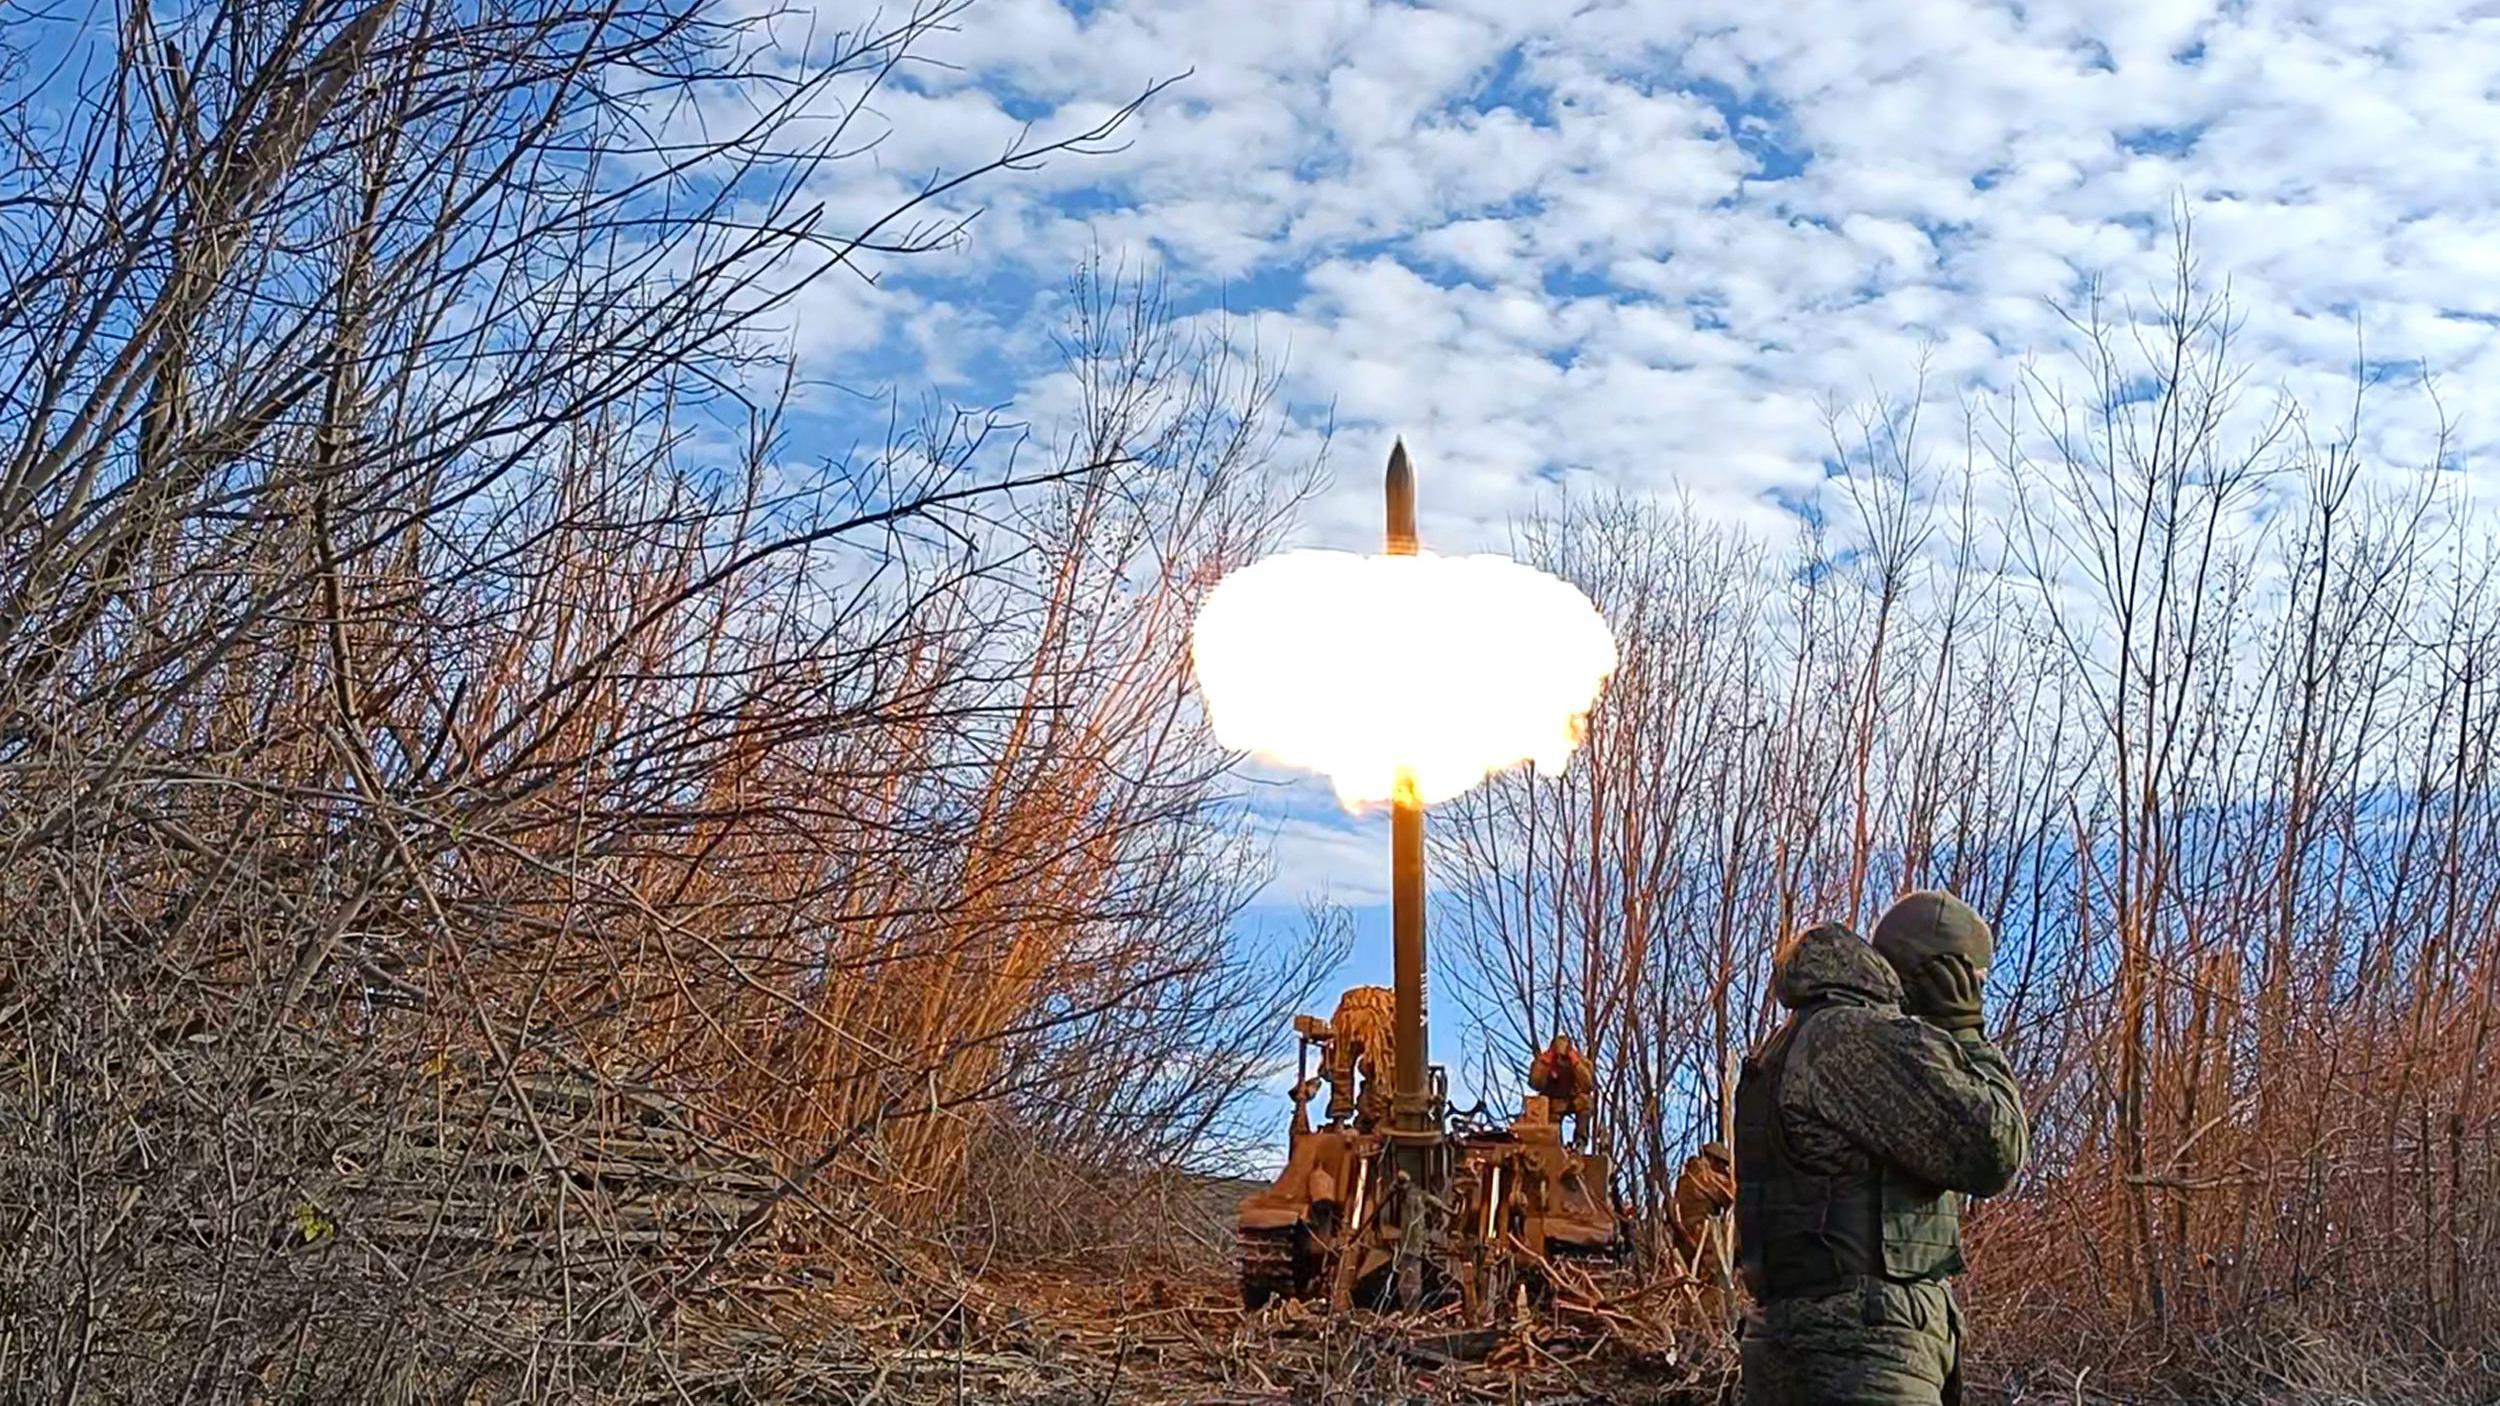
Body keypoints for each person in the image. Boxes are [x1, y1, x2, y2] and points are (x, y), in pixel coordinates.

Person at [1733, 893, 2027, 1406]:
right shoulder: (1858, 1037)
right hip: (1864, 1356)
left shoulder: (1800, 1038)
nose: (1975, 997)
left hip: (1809, 1350)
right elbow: (1993, 1150)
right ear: (1944, 977)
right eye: (1973, 984)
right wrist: (1966, 1036)